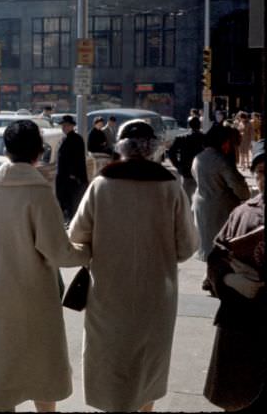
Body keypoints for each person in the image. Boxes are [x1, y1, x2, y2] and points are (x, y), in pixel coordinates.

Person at [0, 120, 90, 412]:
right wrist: (88, 251)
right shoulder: (38, 193)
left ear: (6, 151)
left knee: (3, 378)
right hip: (34, 300)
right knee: (41, 377)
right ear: (39, 152)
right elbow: (59, 253)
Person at [68, 121, 199, 412]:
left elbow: (76, 236)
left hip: (108, 293)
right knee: (147, 367)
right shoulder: (169, 186)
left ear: (120, 147)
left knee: (110, 362)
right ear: (153, 149)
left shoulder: (102, 184)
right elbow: (188, 247)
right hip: (157, 294)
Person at [203, 139, 265, 411]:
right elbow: (216, 260)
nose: (265, 178)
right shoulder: (242, 213)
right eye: (262, 172)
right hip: (241, 320)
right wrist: (230, 279)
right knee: (237, 396)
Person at [192, 125, 250, 263]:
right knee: (222, 249)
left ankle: (209, 277)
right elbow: (240, 189)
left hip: (201, 205)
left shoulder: (198, 158)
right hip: (222, 209)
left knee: (207, 247)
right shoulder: (221, 161)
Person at [55, 115, 88, 221]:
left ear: (72, 126)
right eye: (63, 125)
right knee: (63, 204)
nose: (63, 127)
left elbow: (78, 159)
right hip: (62, 178)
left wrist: (73, 175)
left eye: (66, 125)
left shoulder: (76, 139)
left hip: (71, 180)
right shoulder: (64, 139)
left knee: (72, 205)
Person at [167, 116, 205, 199]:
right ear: (199, 125)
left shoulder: (181, 138)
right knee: (200, 198)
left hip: (186, 172)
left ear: (189, 125)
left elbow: (171, 152)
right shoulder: (204, 138)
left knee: (185, 198)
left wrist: (178, 165)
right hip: (200, 172)